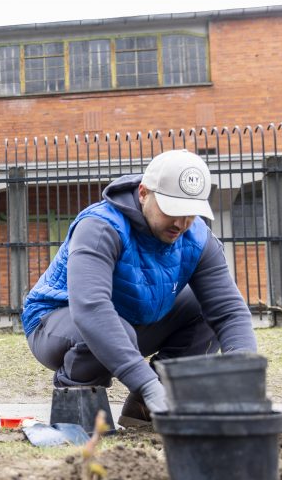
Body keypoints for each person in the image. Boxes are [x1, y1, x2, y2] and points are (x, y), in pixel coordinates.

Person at [21, 149, 257, 427]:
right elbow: (91, 309)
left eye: (190, 213)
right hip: (56, 322)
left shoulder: (198, 238)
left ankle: (145, 411)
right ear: (144, 193)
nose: (181, 223)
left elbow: (229, 311)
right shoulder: (100, 227)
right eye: (173, 210)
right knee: (109, 326)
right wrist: (147, 382)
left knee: (203, 309)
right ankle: (77, 403)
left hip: (131, 322)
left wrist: (245, 377)